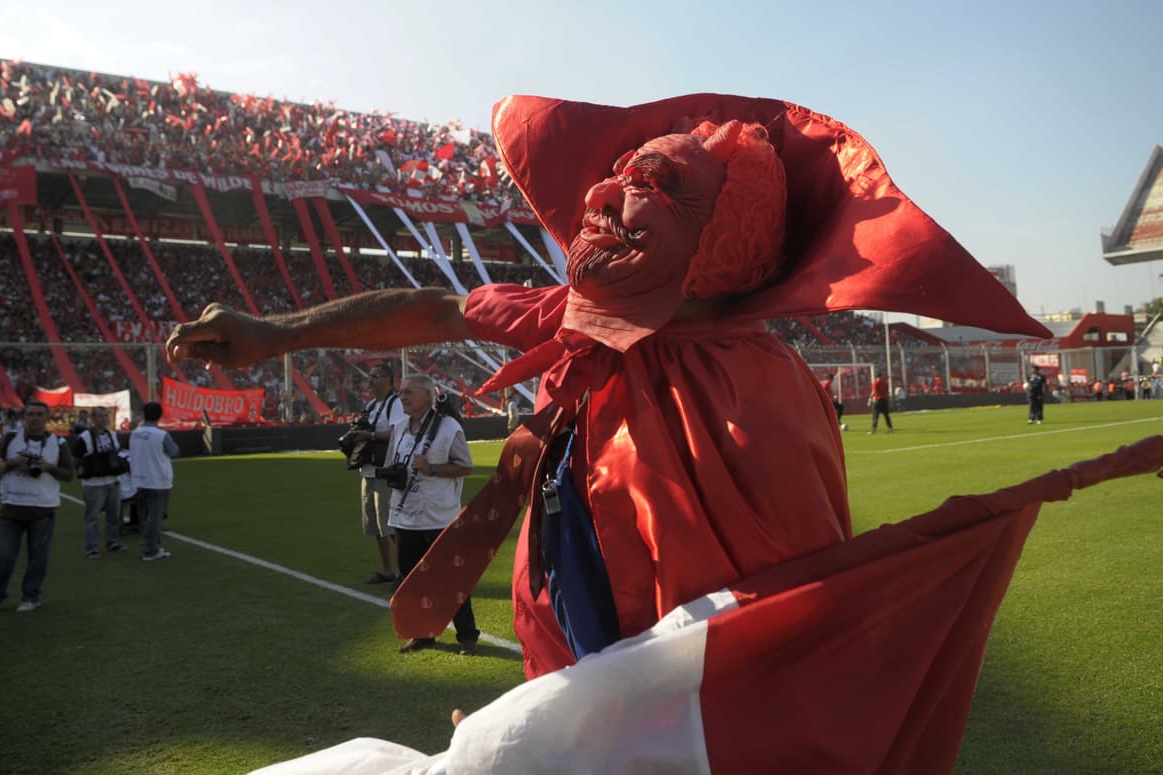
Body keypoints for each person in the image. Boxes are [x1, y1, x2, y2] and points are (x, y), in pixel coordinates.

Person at [167, 93, 1045, 688]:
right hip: (572, 696)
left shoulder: (759, 400)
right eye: (619, 172)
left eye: (653, 185)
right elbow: (437, 307)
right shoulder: (574, 316)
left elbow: (785, 648)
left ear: (722, 249)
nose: (599, 194)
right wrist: (280, 333)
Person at [384, 375, 477, 655]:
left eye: (409, 393)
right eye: (401, 394)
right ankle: (421, 634)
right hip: (405, 515)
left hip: (439, 516)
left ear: (427, 394)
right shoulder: (400, 427)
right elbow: (391, 464)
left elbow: (465, 466)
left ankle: (467, 636)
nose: (403, 398)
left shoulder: (448, 427)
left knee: (451, 578)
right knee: (411, 580)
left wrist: (432, 468)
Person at [0, 400, 75, 614]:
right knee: (2, 554)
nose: (34, 418)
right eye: (30, 414)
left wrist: (47, 467)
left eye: (39, 414)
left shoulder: (58, 443)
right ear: (24, 417)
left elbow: (69, 475)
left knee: (38, 558)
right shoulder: (10, 438)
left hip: (42, 508)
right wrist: (15, 462)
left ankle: (31, 596)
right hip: (12, 506)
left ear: (47, 418)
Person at [355, 364, 403, 585]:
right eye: (369, 376)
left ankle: (405, 574)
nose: (370, 380)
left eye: (375, 376)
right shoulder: (371, 405)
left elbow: (396, 432)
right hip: (368, 469)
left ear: (389, 380)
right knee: (375, 525)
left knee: (389, 525)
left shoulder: (395, 403)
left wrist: (370, 435)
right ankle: (386, 570)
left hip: (385, 470)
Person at [71, 406, 124, 559]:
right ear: (92, 419)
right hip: (93, 483)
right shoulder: (84, 437)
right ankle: (92, 547)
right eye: (100, 416)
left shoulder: (112, 434)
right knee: (92, 517)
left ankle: (112, 541)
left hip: (112, 480)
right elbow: (76, 459)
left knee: (114, 515)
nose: (104, 418)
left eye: (105, 415)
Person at [129, 402, 178, 561]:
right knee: (155, 519)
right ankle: (150, 550)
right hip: (157, 481)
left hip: (139, 481)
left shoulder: (135, 433)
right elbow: (174, 451)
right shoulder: (161, 435)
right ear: (160, 415)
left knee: (147, 517)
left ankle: (154, 547)